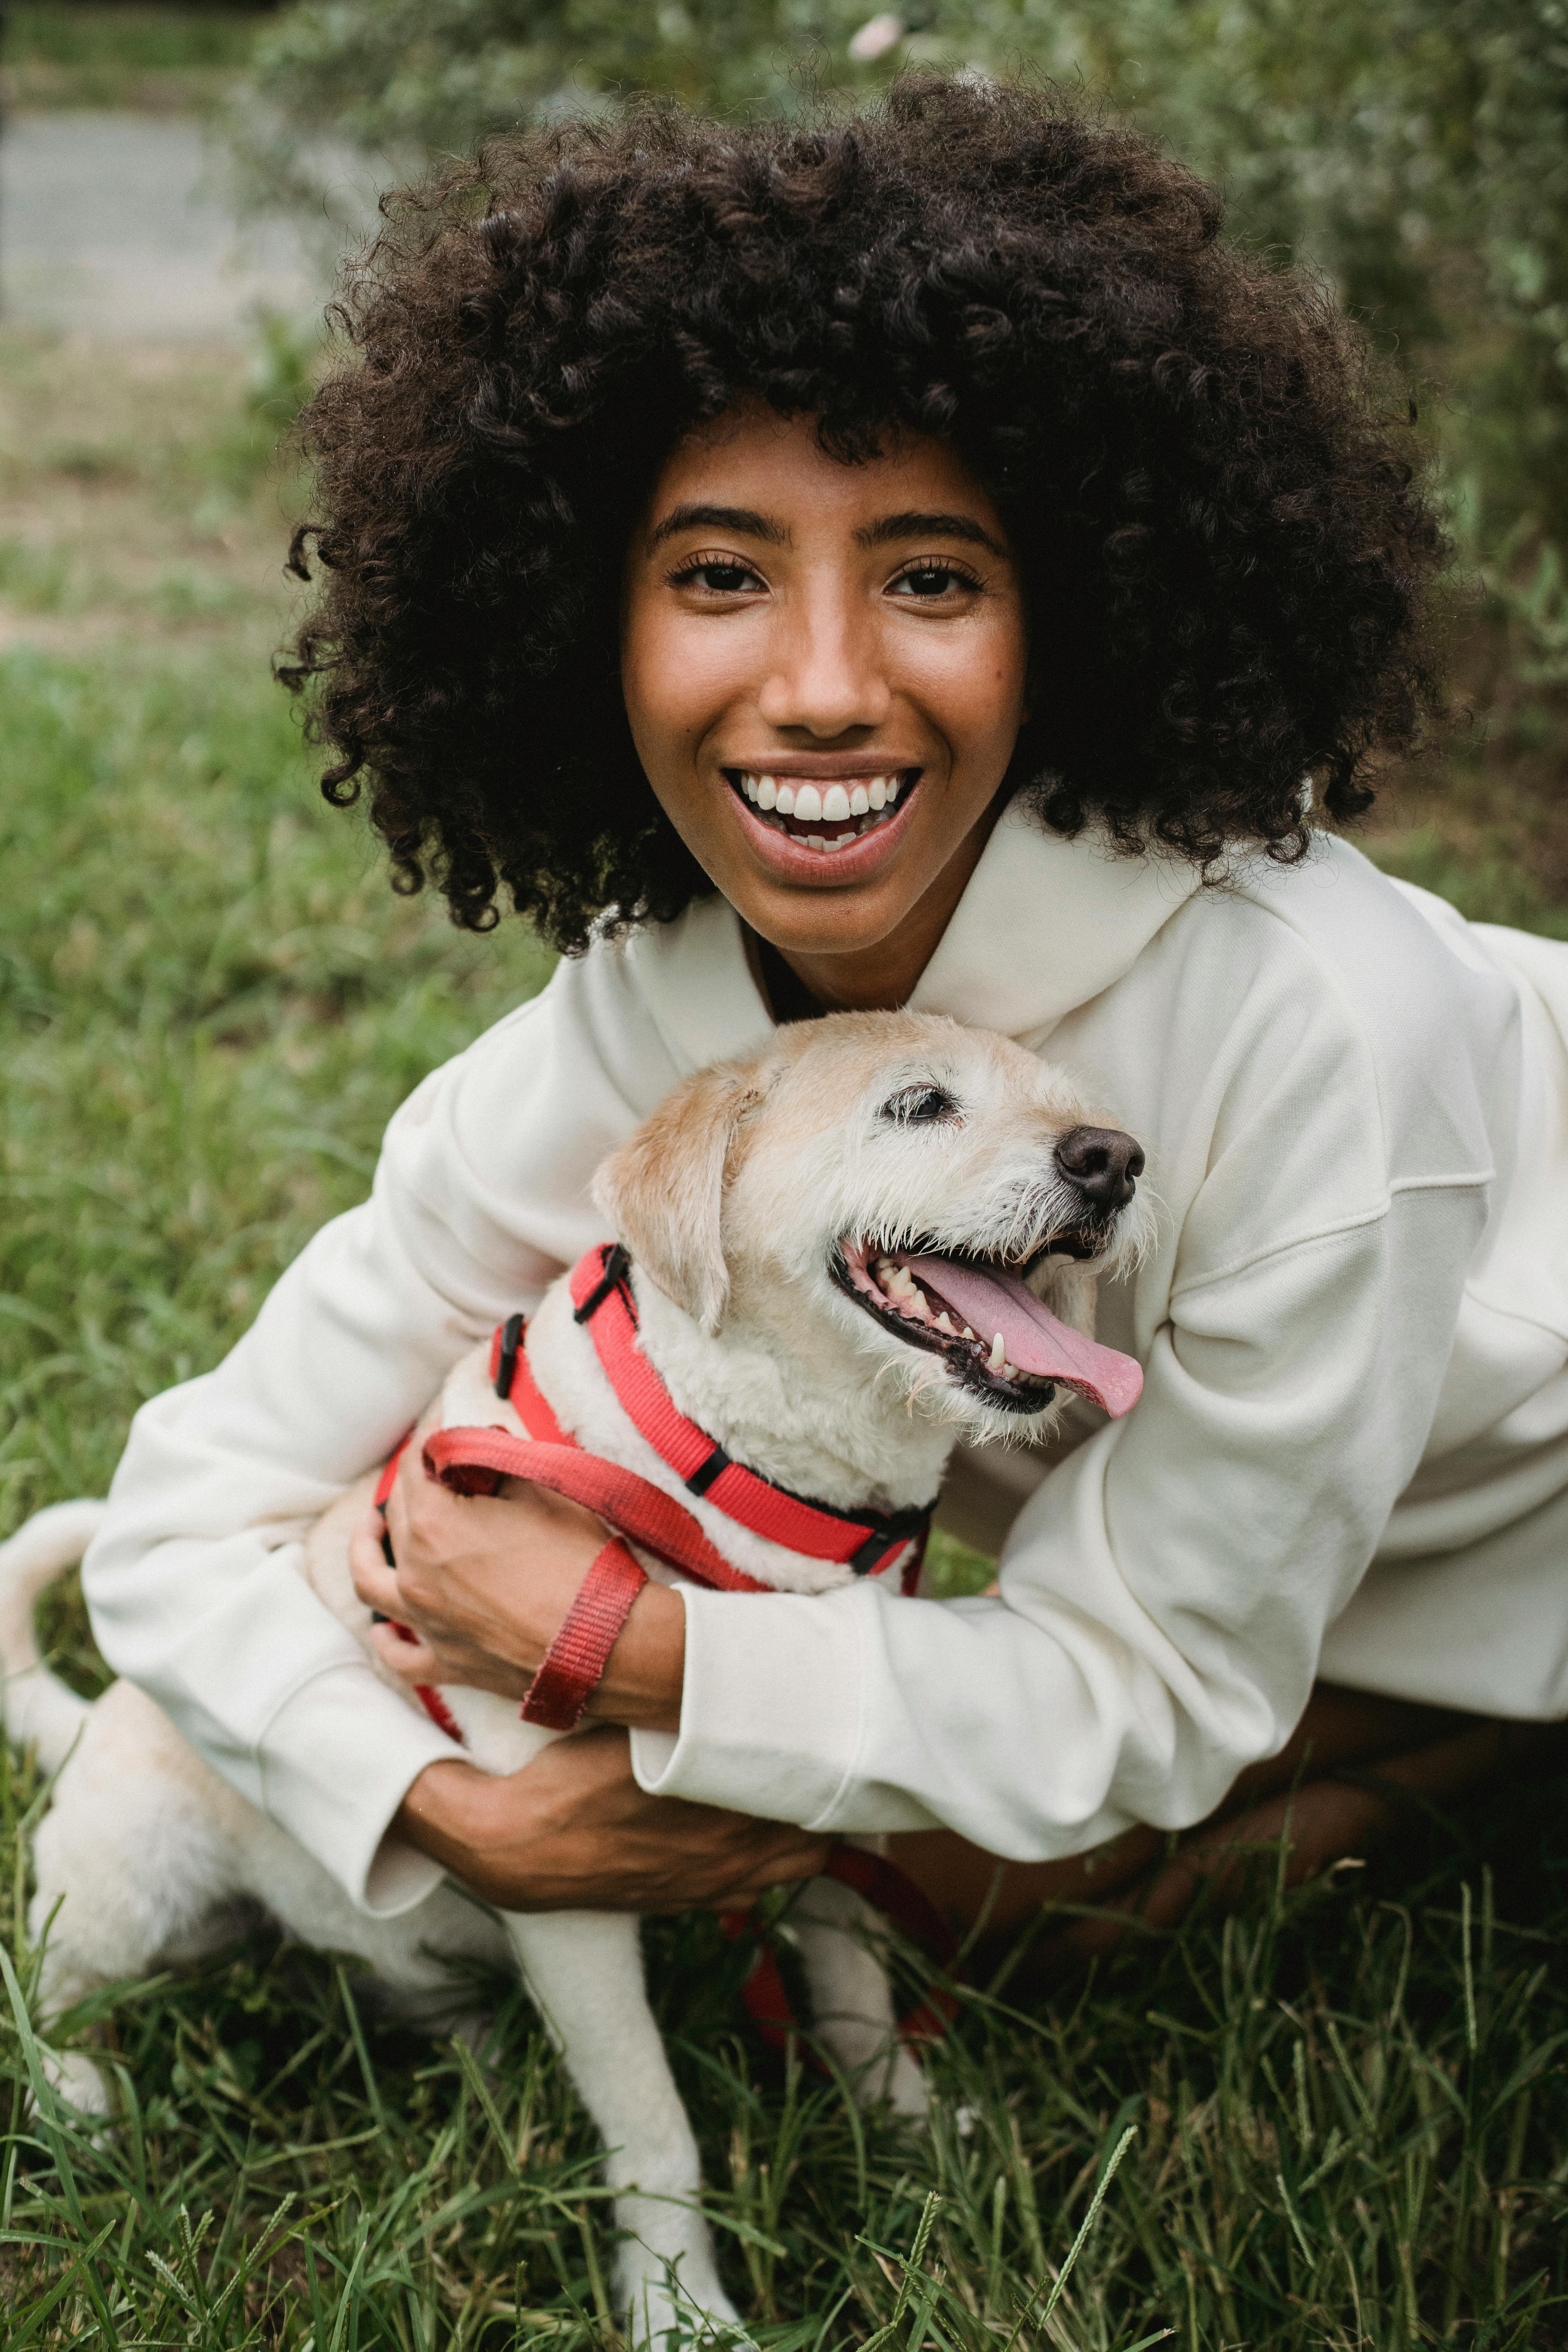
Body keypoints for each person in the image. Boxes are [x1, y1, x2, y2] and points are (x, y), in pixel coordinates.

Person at [83, 81, 1568, 1959]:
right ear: (577, 622)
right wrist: (431, 1805)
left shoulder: (1324, 1033)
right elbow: (176, 1522)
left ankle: (1467, 1732)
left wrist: (654, 1655)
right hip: (1230, 1563)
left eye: (931, 578)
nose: (820, 687)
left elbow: (1153, 1694)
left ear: (1080, 617)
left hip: (1514, 1512)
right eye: (718, 575)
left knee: (967, 1900)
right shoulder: (670, 1027)